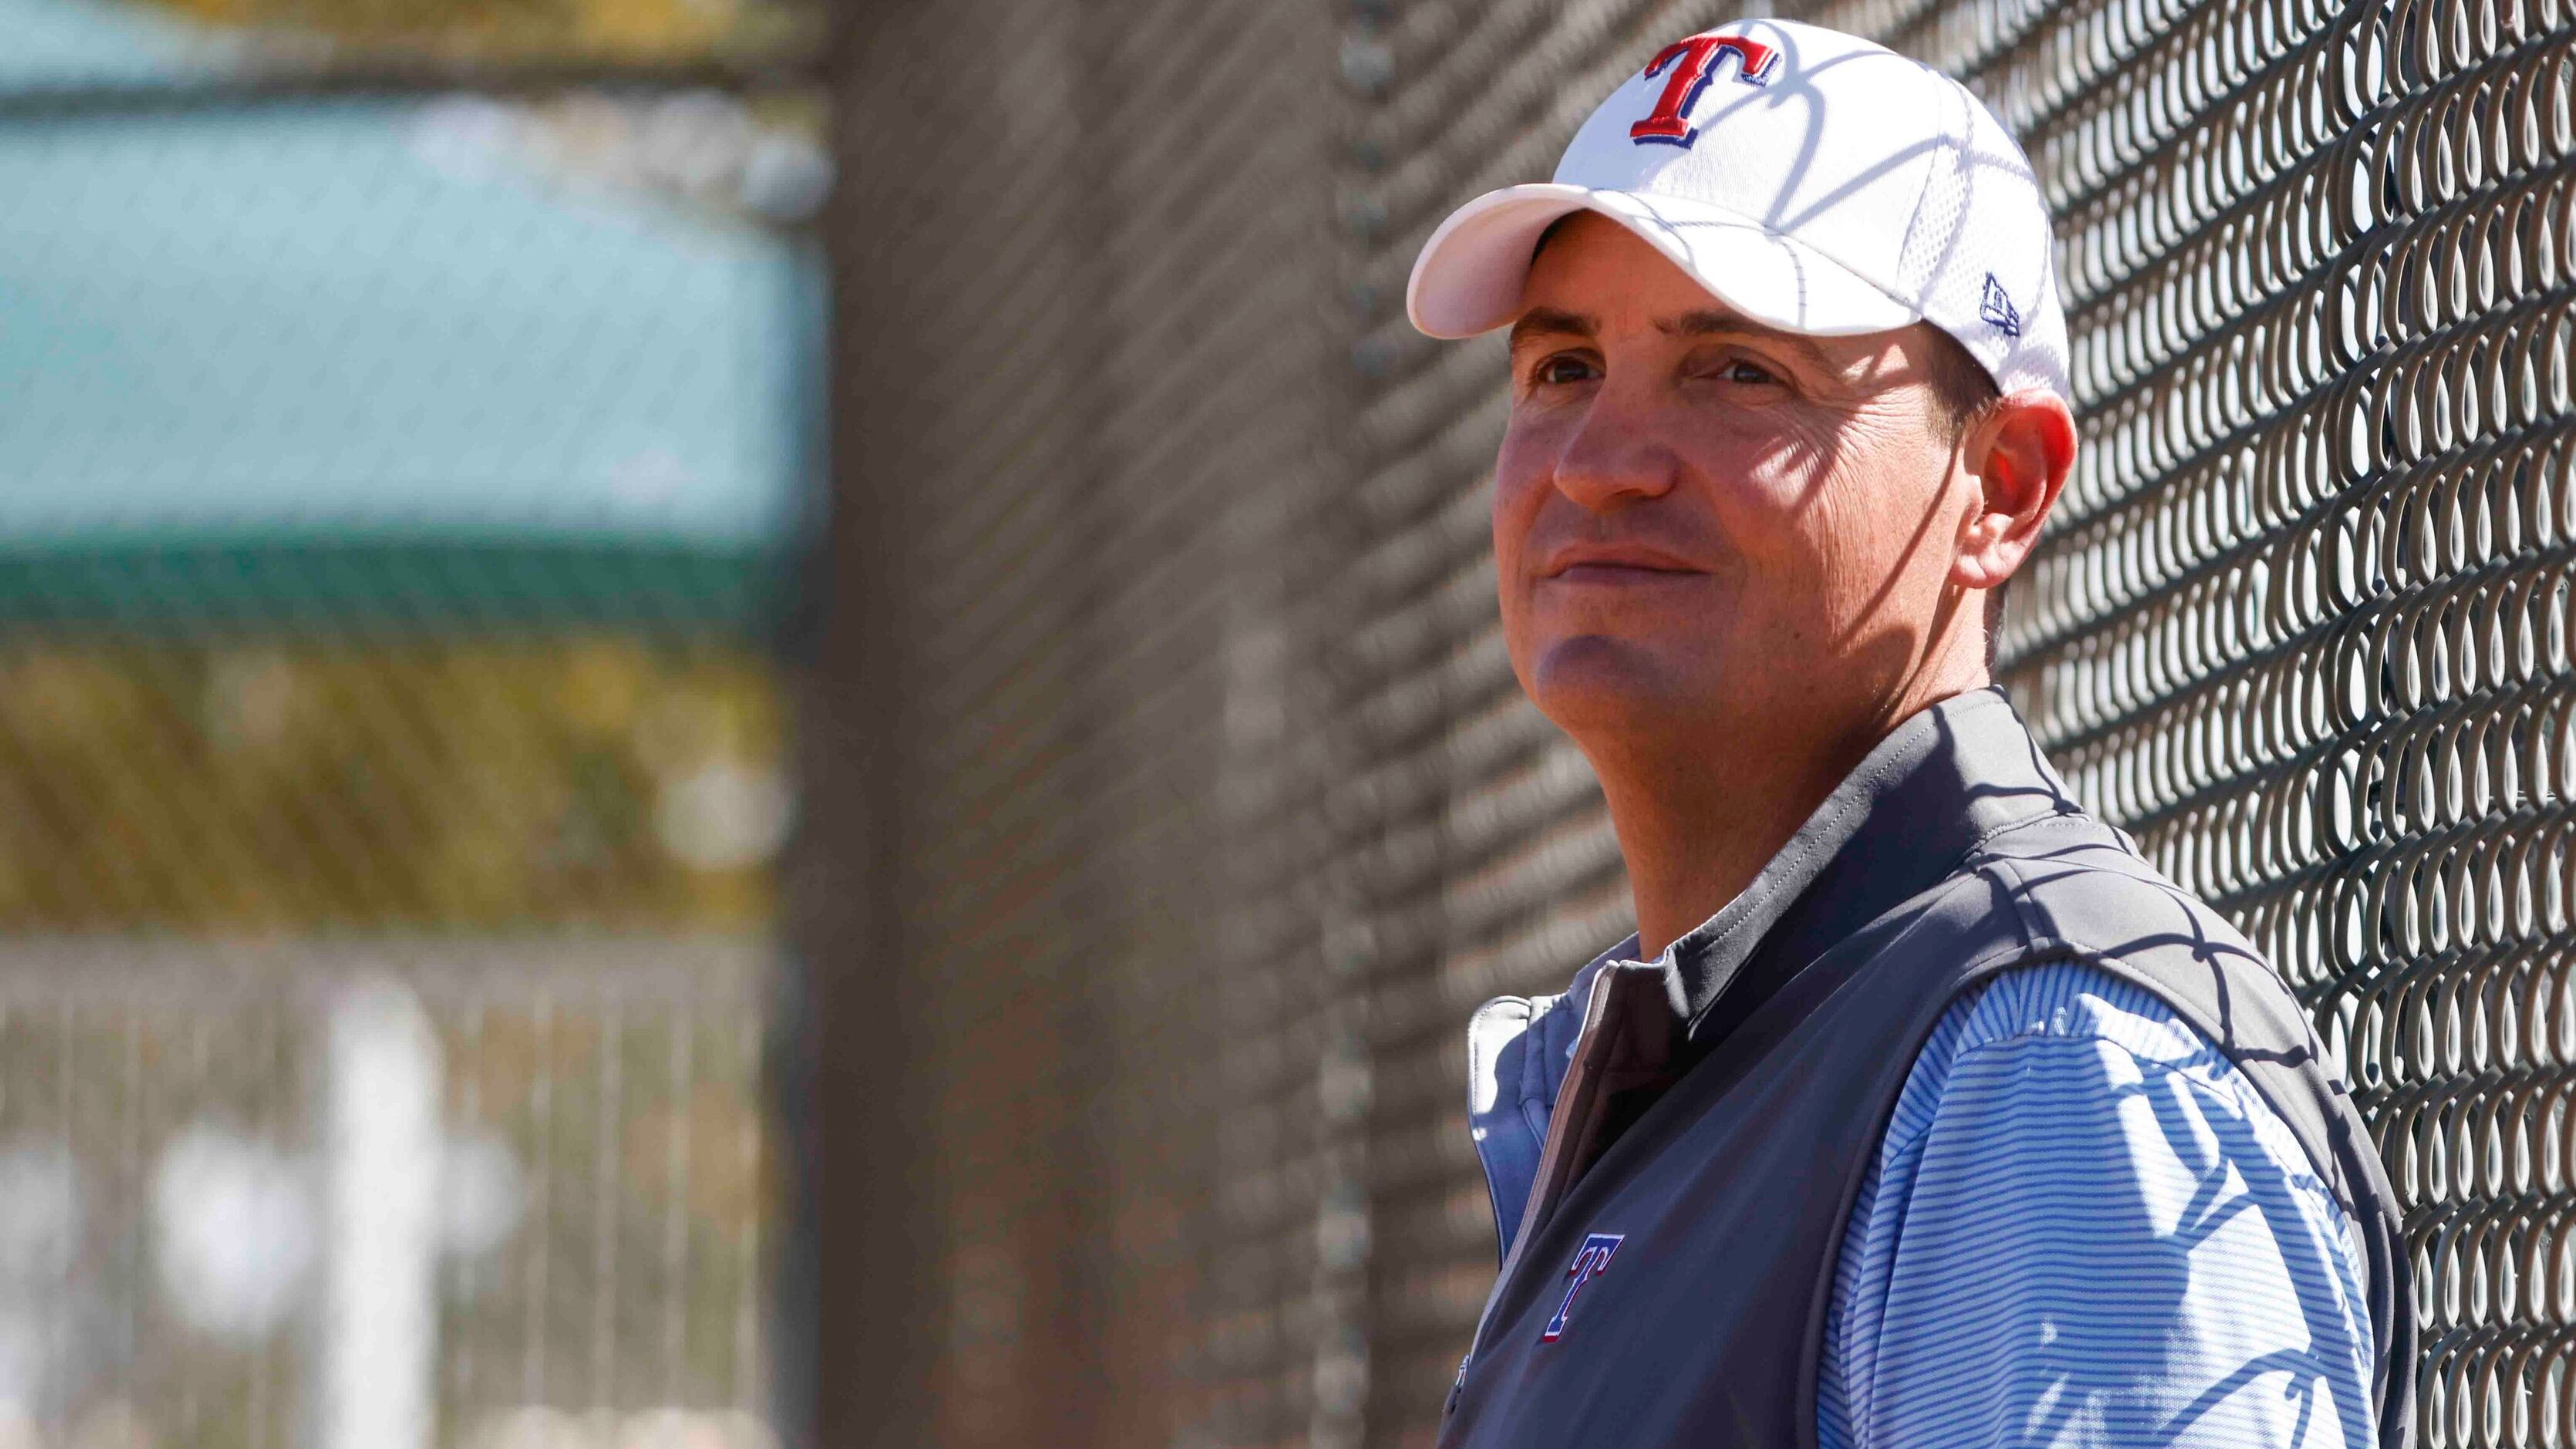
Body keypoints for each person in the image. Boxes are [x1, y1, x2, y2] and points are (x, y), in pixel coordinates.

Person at [1404, 19, 2411, 1449]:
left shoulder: (2051, 1064)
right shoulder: (1714, 1063)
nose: (1598, 464)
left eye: (1740, 369)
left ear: (1997, 484)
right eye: (1564, 368)